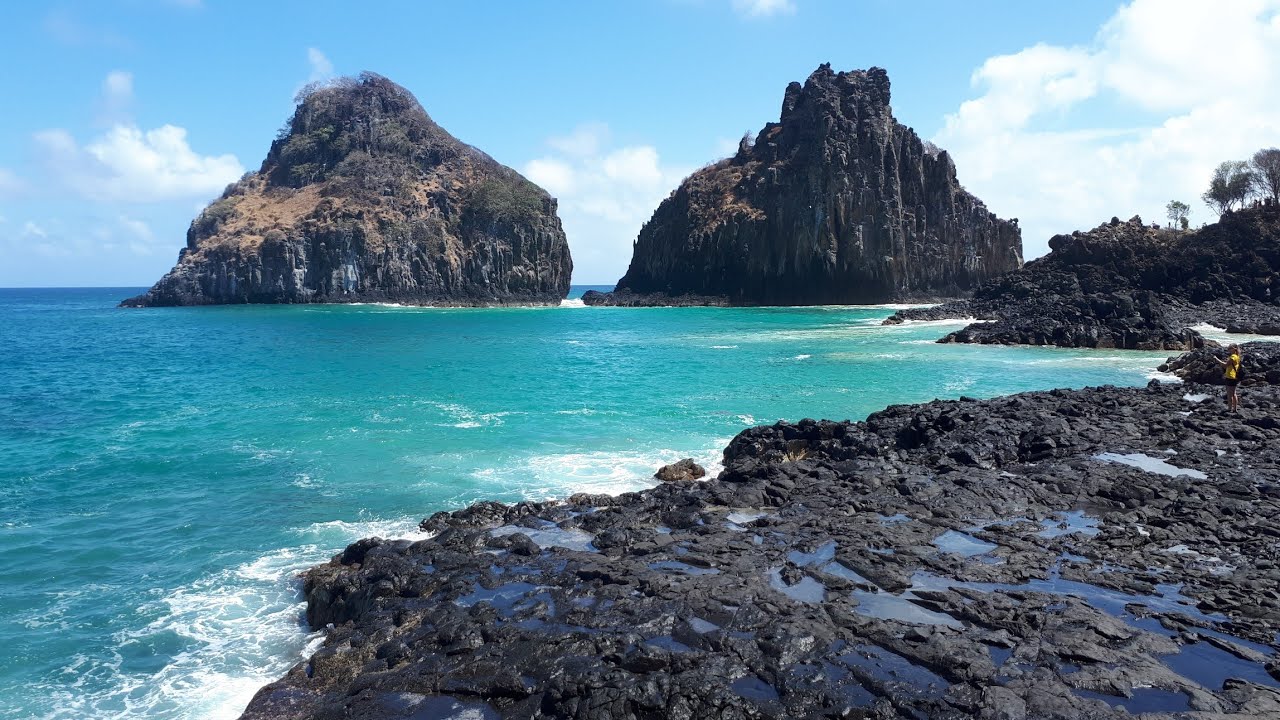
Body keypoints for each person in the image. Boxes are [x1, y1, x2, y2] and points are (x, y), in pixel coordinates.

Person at [1217, 343, 1242, 412]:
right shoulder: (1237, 356)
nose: (1229, 350)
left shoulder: (1233, 357)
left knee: (1229, 394)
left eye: (1230, 348)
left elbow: (1225, 365)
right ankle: (1235, 408)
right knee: (1234, 393)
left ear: (1234, 349)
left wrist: (1216, 359)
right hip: (1234, 376)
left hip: (1230, 376)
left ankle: (1229, 408)